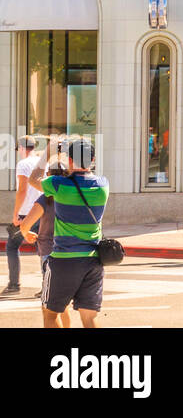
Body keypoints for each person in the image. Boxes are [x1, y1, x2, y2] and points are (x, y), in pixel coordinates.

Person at [40, 138, 108, 329]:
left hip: (64, 259)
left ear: (69, 160)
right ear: (93, 159)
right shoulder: (103, 185)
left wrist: (48, 153)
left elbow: (32, 180)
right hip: (93, 259)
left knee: (50, 314)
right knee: (90, 318)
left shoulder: (57, 184)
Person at [19, 152, 70, 327]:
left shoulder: (45, 198)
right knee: (63, 305)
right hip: (70, 253)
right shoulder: (71, 196)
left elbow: (25, 224)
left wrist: (26, 233)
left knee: (48, 307)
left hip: (50, 253)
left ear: (48, 176)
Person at [5, 136, 40, 296]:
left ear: (21, 148)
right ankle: (47, 286)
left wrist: (15, 214)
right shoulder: (42, 163)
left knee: (12, 246)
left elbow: (22, 191)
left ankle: (14, 285)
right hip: (41, 210)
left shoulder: (23, 164)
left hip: (25, 213)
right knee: (44, 248)